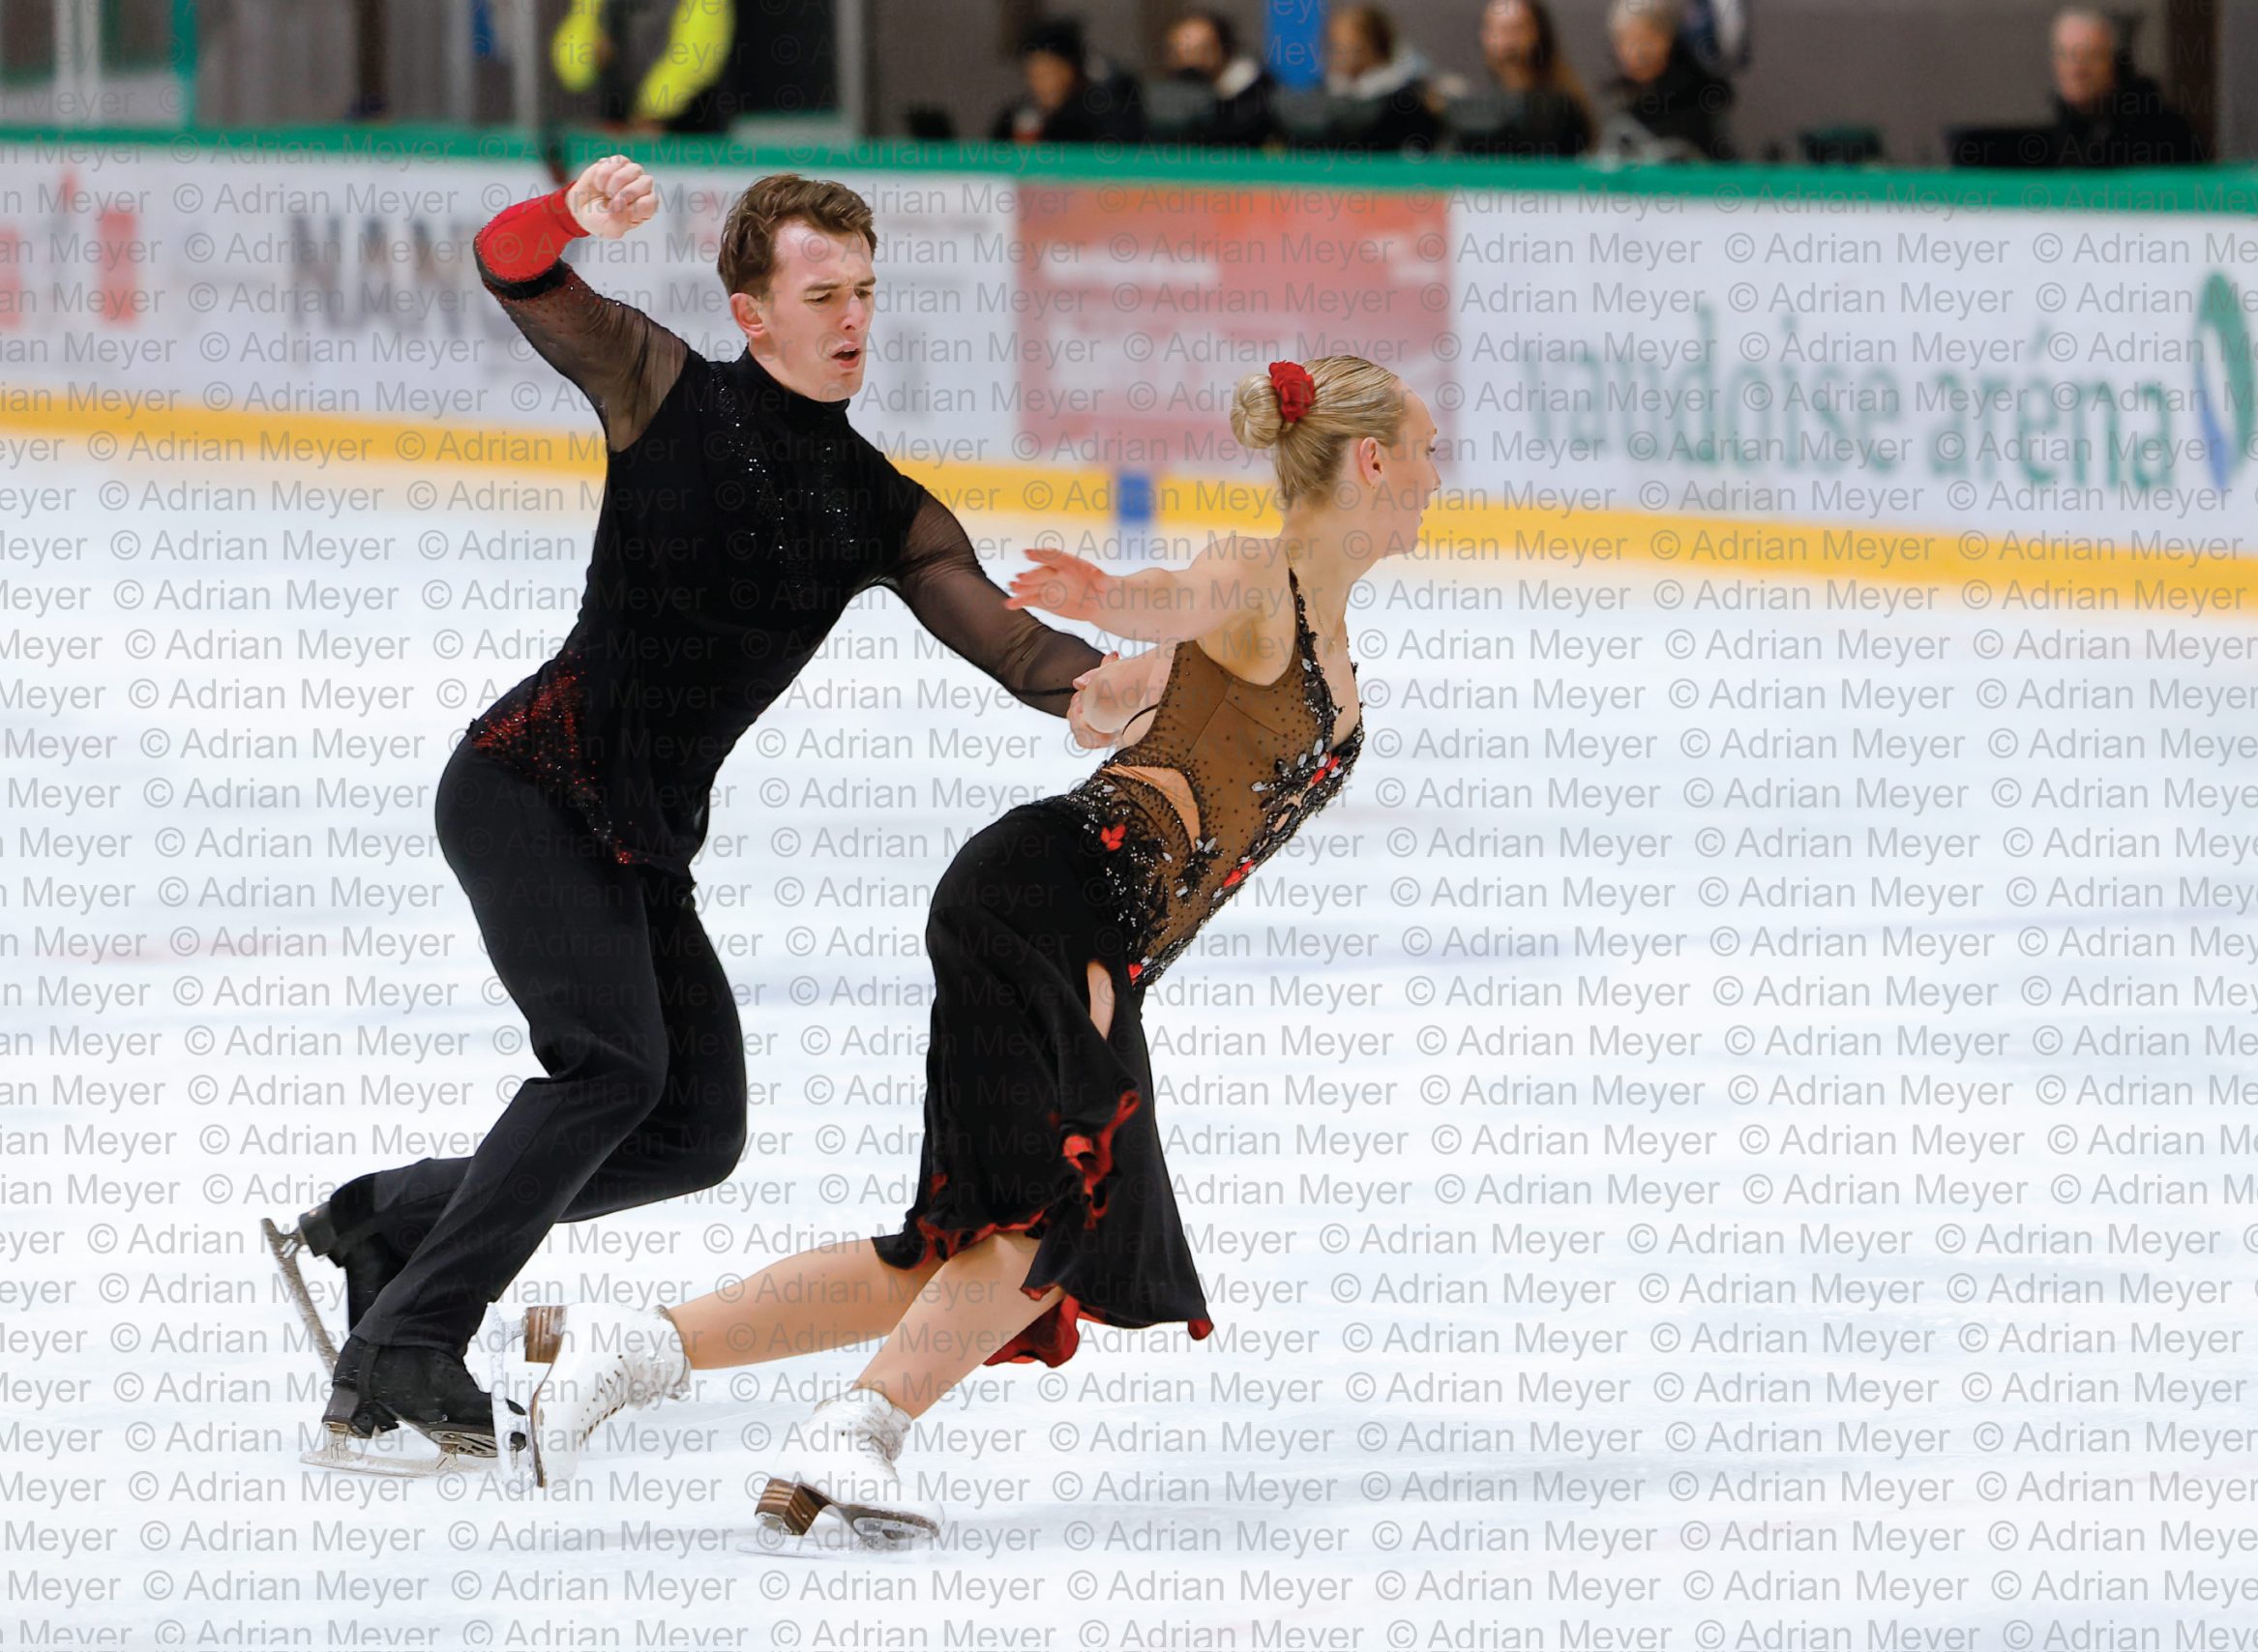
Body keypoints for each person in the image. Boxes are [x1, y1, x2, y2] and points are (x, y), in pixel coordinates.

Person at [518, 356, 1442, 1545]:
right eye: (1426, 448)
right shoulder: (1260, 579)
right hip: (1053, 899)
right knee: (1069, 1214)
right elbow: (1184, 594)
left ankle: (637, 1348)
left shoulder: (1328, 644)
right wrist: (1113, 599)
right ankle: (855, 1429)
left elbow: (1151, 687)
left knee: (959, 1247)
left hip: (1068, 921)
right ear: (1370, 460)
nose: (1436, 476)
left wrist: (1117, 690)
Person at [267, 159, 1111, 1461]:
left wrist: (1123, 689)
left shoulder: (881, 508)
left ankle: (393, 1222)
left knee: (690, 1128)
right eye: (822, 293)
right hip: (529, 790)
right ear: (751, 312)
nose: (853, 320)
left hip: (641, 847)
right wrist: (568, 221)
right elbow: (509, 260)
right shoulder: (662, 391)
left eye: (867, 293)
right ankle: (401, 1353)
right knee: (609, 1067)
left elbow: (1013, 647)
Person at [2043, 7, 2207, 167]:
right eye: (2064, 55)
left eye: (2090, 56)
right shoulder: (2058, 135)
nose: (2075, 69)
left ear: (2115, 63)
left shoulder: (2163, 132)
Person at [550, 0, 739, 136]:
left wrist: (649, 114)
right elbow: (571, 57)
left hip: (686, 134)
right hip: (617, 129)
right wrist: (588, 55)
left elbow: (696, 60)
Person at [1600, 0, 1736, 161]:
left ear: (1666, 39)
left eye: (1642, 39)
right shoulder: (1617, 100)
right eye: (1623, 41)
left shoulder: (1696, 98)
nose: (1633, 52)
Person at [1459, 0, 1595, 158]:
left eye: (1516, 29)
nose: (1507, 43)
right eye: (1497, 30)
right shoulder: (1475, 108)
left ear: (1538, 33)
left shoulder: (1563, 108)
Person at [992, 17, 1145, 144]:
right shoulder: (1016, 117)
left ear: (1073, 70)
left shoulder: (1101, 115)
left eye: (1051, 73)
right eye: (1035, 75)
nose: (1044, 85)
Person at [1322, 5, 1443, 153]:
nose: (1338, 55)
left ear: (1373, 45)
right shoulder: (1329, 96)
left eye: (1349, 46)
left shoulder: (1409, 103)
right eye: (1335, 46)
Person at [1159, 9, 1277, 148]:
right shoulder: (1171, 97)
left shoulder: (1259, 98)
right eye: (1179, 53)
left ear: (1224, 49)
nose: (1189, 61)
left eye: (1200, 50)